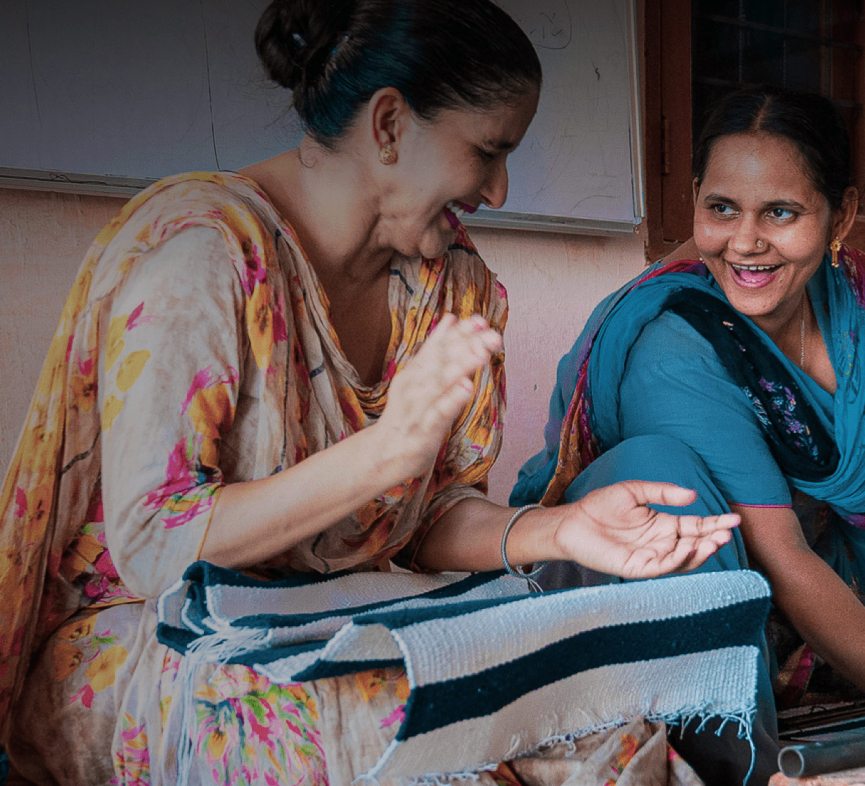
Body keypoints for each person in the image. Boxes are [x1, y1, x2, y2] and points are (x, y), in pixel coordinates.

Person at [0, 1, 739, 784]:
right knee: (395, 736)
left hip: (348, 611)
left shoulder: (454, 286)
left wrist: (559, 530)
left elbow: (432, 522)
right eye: (487, 152)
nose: (498, 188)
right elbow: (153, 550)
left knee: (594, 720)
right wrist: (383, 452)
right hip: (157, 630)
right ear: (389, 125)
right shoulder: (203, 257)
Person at [513, 85, 865, 749]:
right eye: (721, 208)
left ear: (840, 216)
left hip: (840, 551)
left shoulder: (861, 303)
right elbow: (782, 559)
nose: (745, 243)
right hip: (736, 572)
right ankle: (752, 756)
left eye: (780, 212)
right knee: (669, 485)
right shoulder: (672, 342)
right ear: (695, 197)